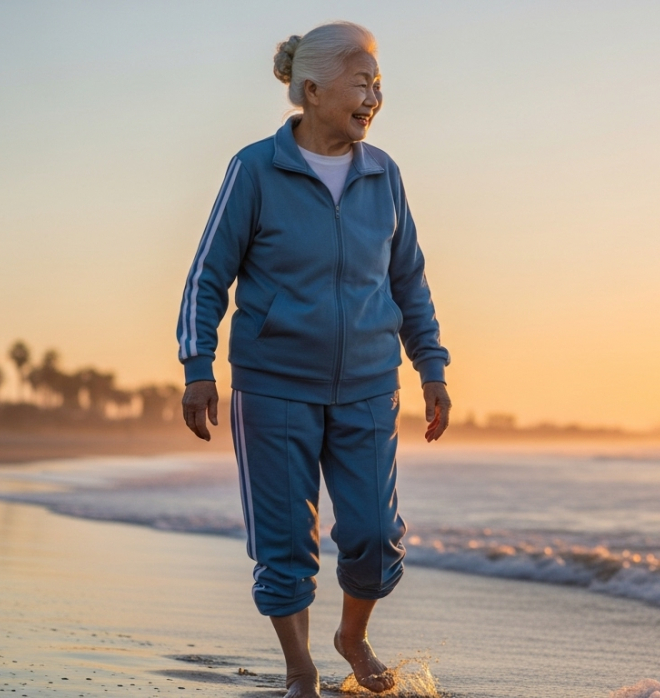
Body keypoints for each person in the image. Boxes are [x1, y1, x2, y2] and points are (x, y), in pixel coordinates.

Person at [176, 21, 451, 698]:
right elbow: (208, 274)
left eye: (378, 84)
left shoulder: (385, 175)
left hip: (366, 384)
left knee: (375, 536)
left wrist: (432, 367)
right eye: (361, 82)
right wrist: (197, 367)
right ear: (312, 90)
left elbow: (408, 278)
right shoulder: (255, 169)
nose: (373, 96)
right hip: (273, 387)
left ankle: (350, 636)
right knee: (284, 543)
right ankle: (300, 666)